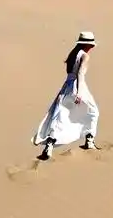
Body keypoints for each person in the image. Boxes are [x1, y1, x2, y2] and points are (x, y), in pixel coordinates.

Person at [32, 30, 99, 159]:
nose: (92, 47)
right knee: (93, 111)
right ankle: (89, 141)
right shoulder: (84, 56)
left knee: (60, 116)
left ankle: (49, 146)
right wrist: (79, 93)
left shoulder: (73, 54)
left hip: (66, 86)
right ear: (87, 44)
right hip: (78, 86)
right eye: (91, 45)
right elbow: (80, 74)